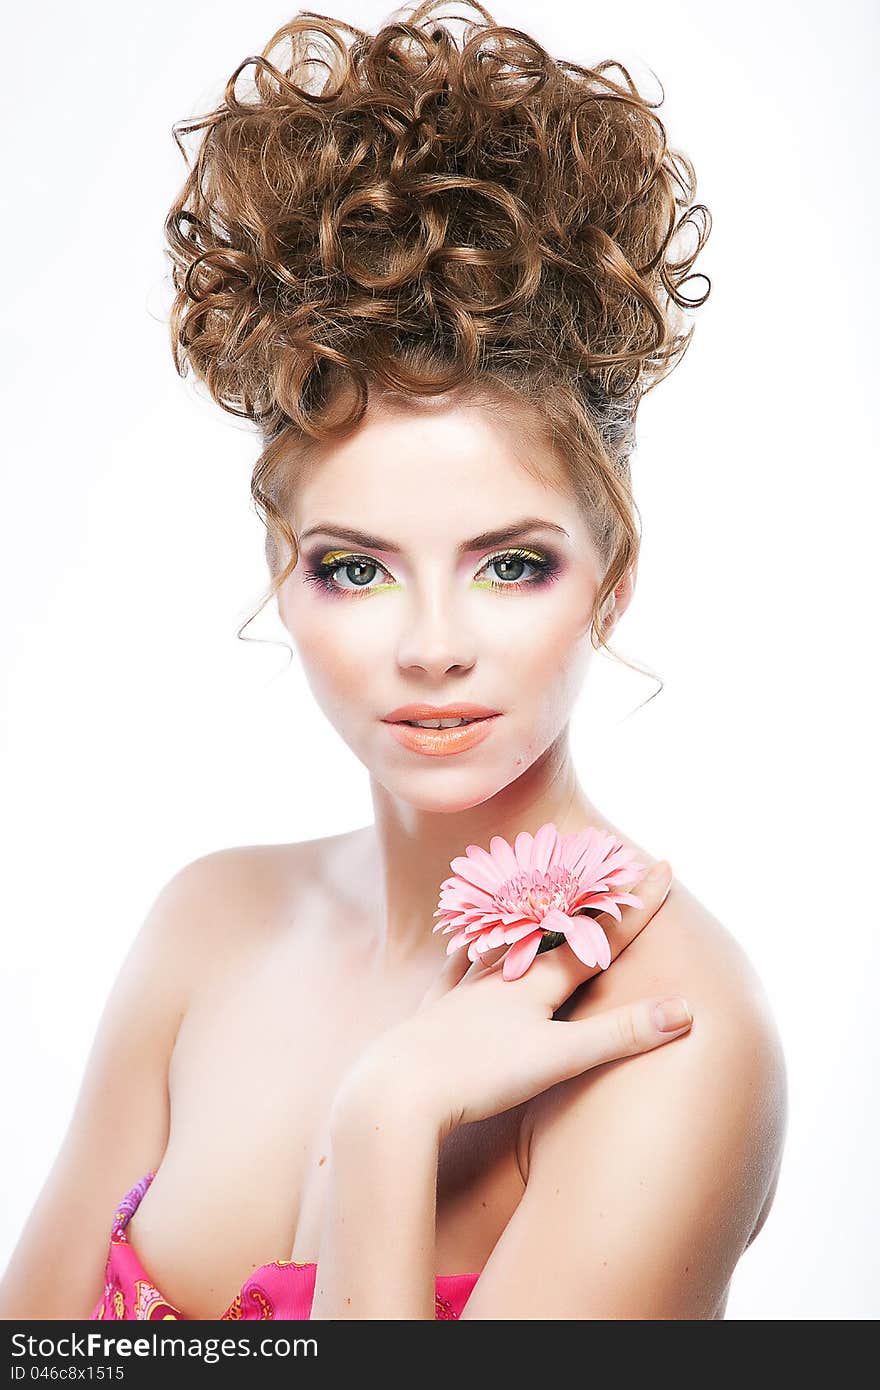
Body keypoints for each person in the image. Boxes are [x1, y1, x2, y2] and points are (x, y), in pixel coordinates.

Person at [0, 1, 786, 1321]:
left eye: (510, 563)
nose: (431, 648)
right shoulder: (209, 924)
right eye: (358, 568)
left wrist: (380, 1137)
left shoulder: (672, 1035)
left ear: (615, 576)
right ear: (284, 577)